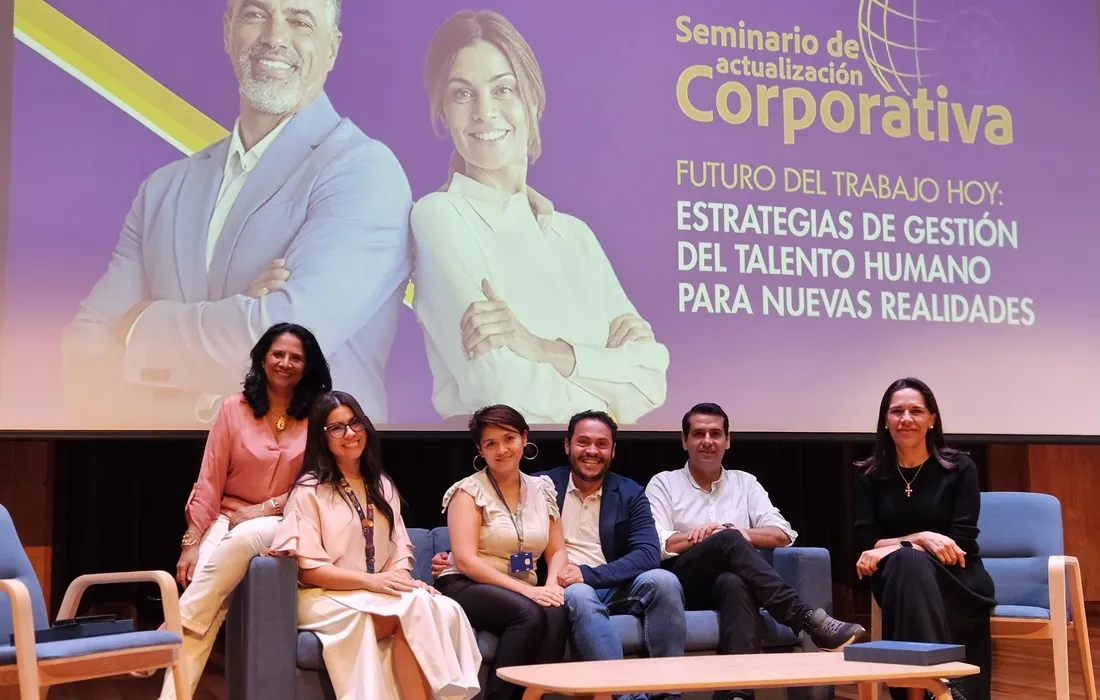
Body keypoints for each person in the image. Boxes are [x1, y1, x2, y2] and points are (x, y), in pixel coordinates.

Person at [61, 0, 412, 429]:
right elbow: (85, 344)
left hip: (310, 468)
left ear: (332, 47)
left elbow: (288, 348)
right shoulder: (163, 189)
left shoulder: (365, 172)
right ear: (228, 30)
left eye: (299, 20)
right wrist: (201, 407)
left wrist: (138, 325)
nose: (274, 37)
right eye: (255, 14)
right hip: (164, 465)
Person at [410, 10, 669, 425]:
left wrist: (541, 349)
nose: (484, 111)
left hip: (593, 461)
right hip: (507, 459)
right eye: (462, 94)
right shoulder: (439, 217)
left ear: (532, 98)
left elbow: (652, 381)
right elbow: (499, 389)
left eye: (503, 89)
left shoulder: (575, 236)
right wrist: (609, 396)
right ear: (442, 111)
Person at [432, 410, 687, 700]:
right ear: (567, 445)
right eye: (583, 442)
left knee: (662, 581)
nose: (592, 451)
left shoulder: (617, 492)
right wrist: (452, 556)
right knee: (560, 602)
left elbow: (644, 553)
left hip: (599, 582)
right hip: (542, 585)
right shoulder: (540, 484)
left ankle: (668, 693)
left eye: (601, 444)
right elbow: (477, 548)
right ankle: (623, 697)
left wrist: (571, 579)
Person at [157, 322, 332, 699]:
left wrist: (266, 507)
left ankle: (169, 631)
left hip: (286, 519)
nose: (285, 363)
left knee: (233, 553)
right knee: (205, 588)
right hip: (227, 517)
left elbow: (318, 482)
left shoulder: (320, 414)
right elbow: (209, 480)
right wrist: (191, 542)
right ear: (262, 359)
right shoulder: (232, 409)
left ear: (307, 365)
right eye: (278, 354)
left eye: (296, 357)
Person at [268, 391, 481, 699]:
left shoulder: (381, 484)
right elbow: (310, 571)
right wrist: (374, 582)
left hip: (374, 591)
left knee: (443, 608)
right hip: (324, 596)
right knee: (410, 615)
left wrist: (404, 583)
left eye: (354, 422)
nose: (349, 433)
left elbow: (399, 553)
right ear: (322, 437)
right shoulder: (310, 489)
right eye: (337, 428)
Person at [645, 403, 865, 700]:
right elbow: (657, 542)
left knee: (734, 580)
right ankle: (806, 619)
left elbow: (783, 533)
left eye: (715, 434)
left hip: (728, 585)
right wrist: (702, 538)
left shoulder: (745, 482)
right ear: (684, 441)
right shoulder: (664, 483)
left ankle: (736, 694)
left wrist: (740, 533)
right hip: (681, 584)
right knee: (727, 539)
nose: (707, 441)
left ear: (727, 440)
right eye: (698, 434)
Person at [854, 378, 996, 700]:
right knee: (908, 564)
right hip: (897, 580)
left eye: (916, 411)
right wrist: (920, 538)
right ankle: (943, 685)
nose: (906, 419)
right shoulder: (869, 474)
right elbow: (866, 540)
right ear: (886, 420)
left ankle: (922, 692)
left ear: (931, 419)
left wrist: (895, 547)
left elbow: (962, 542)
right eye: (897, 411)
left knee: (908, 563)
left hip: (956, 578)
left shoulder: (960, 468)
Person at [435, 404, 570, 700]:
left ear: (524, 437)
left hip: (522, 587)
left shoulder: (543, 489)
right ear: (480, 450)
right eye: (490, 444)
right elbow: (466, 561)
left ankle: (533, 697)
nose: (502, 450)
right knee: (527, 614)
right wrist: (529, 592)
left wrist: (550, 586)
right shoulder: (468, 491)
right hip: (466, 583)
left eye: (509, 439)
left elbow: (558, 550)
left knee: (556, 612)